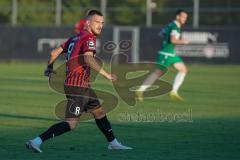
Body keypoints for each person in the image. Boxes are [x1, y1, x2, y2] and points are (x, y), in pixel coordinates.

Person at [26, 10, 132, 153]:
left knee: (99, 112)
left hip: (82, 87)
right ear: (88, 23)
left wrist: (49, 68)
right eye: (97, 22)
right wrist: (106, 74)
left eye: (102, 23)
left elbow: (53, 53)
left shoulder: (74, 38)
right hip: (77, 88)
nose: (100, 25)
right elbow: (88, 58)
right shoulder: (89, 37)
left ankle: (113, 142)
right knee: (70, 124)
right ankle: (36, 141)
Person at [136, 9, 189, 101]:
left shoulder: (171, 25)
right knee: (157, 73)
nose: (185, 19)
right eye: (183, 17)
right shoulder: (175, 27)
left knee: (183, 70)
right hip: (166, 54)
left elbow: (161, 33)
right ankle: (140, 90)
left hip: (171, 54)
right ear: (177, 17)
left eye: (186, 17)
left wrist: (167, 39)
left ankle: (174, 91)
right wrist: (183, 41)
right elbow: (172, 40)